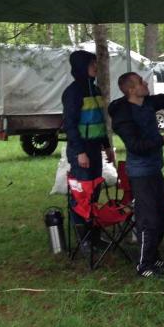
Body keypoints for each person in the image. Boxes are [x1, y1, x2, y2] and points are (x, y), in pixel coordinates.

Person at [109, 70, 164, 278]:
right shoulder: (123, 115)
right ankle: (144, 266)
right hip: (140, 172)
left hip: (154, 168)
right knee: (149, 219)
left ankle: (154, 257)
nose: (145, 83)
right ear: (131, 89)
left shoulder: (147, 103)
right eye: (140, 82)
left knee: (161, 217)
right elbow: (136, 146)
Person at [62, 50, 115, 248]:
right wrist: (79, 152)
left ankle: (94, 237)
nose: (95, 67)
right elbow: (69, 125)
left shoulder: (95, 89)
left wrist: (107, 147)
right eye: (92, 64)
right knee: (81, 194)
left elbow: (99, 122)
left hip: (95, 149)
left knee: (94, 193)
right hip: (81, 150)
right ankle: (83, 239)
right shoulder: (73, 92)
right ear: (81, 66)